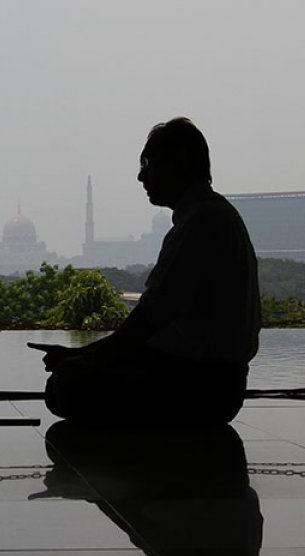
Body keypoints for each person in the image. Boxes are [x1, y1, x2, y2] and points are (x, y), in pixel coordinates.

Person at [30, 117, 260, 424]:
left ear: (179, 163)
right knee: (69, 382)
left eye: (148, 164)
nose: (141, 176)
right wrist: (79, 355)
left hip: (198, 387)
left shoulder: (201, 224)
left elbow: (147, 323)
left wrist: (83, 360)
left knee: (65, 388)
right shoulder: (213, 216)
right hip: (217, 382)